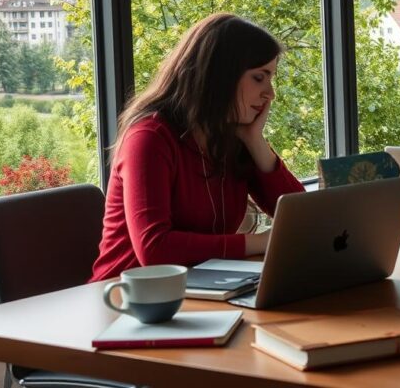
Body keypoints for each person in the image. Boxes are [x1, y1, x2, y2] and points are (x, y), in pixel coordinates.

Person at [91, 14, 305, 282]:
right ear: (220, 76)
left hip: (201, 289)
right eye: (259, 78)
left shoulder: (230, 136)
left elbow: (301, 218)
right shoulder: (148, 138)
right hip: (125, 300)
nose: (270, 93)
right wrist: (258, 242)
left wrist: (255, 141)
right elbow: (155, 249)